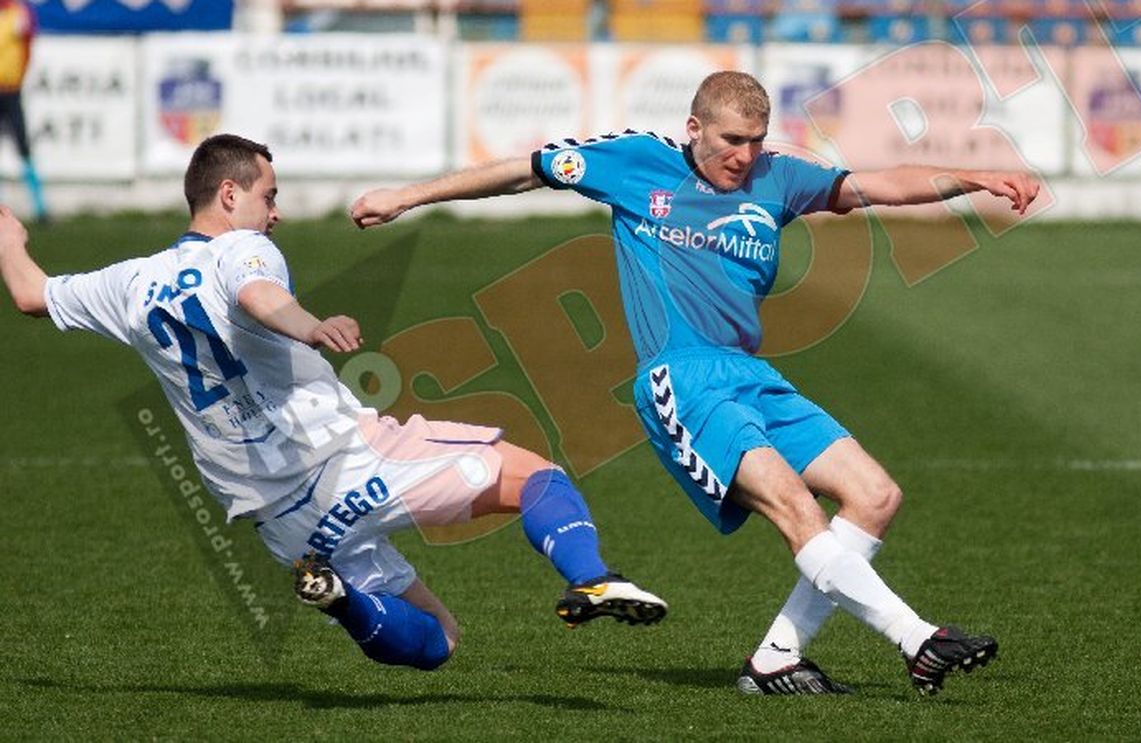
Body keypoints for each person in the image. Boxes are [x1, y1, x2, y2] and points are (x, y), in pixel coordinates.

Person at [350, 71, 1040, 694]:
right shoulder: (637, 163)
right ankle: (918, 639)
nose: (744, 155)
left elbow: (873, 186)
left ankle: (776, 658)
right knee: (795, 507)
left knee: (876, 494)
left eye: (756, 140)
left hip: (752, 374)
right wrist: (407, 196)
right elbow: (525, 171)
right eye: (732, 140)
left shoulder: (777, 177)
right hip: (681, 378)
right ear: (694, 129)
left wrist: (972, 177)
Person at [0, 133, 666, 672]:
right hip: (346, 459)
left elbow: (32, 294)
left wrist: (8, 238)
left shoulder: (130, 281)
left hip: (281, 518)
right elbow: (258, 297)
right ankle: (592, 577)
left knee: (440, 637)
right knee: (535, 476)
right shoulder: (243, 248)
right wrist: (308, 324)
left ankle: (344, 597)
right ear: (229, 194)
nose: (276, 211)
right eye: (269, 194)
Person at [0, 0, 45, 223]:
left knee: (24, 147)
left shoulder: (19, 11)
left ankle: (40, 208)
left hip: (11, 90)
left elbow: (28, 42)